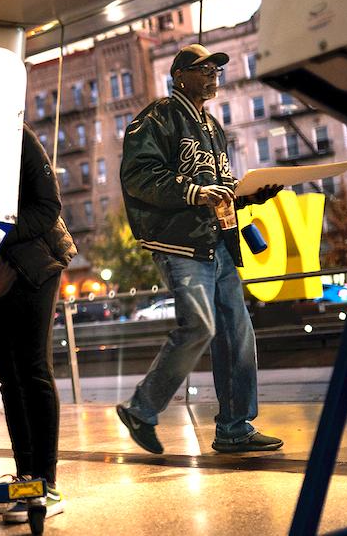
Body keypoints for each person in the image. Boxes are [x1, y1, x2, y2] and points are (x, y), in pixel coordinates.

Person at [115, 43, 284, 455]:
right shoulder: (157, 117)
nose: (213, 75)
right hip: (178, 243)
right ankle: (141, 408)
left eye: (216, 70)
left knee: (238, 333)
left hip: (218, 242)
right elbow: (139, 175)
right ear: (180, 76)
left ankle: (235, 427)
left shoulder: (213, 127)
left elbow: (218, 190)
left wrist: (248, 195)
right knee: (201, 327)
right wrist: (193, 192)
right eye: (203, 69)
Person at [0, 123, 74, 524]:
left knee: (33, 370)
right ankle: (26, 479)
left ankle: (47, 483)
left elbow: (47, 207)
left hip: (33, 264)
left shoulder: (14, 134)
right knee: (8, 375)